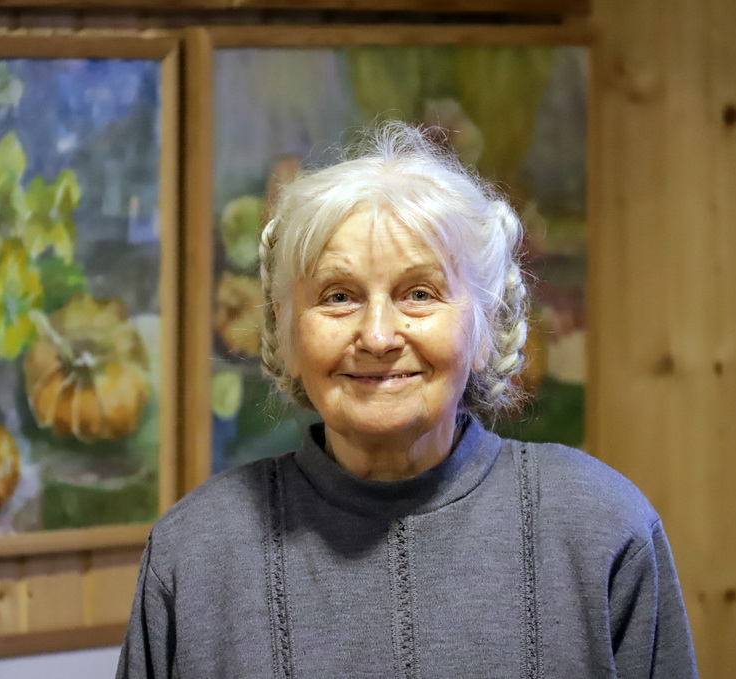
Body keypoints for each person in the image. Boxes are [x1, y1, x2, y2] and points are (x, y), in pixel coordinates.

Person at [116, 122, 698, 678]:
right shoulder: (194, 553)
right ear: (286, 332)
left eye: (419, 293)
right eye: (338, 296)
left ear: (484, 325)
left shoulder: (603, 529)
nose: (377, 336)